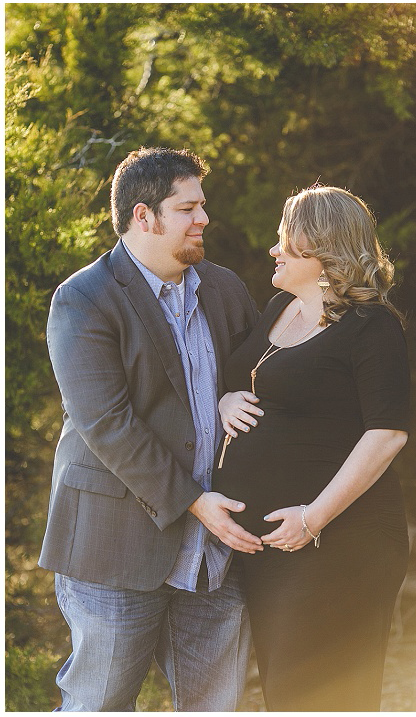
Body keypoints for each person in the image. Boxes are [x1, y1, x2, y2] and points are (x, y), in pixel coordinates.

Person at [39, 147, 261, 714]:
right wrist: (193, 501)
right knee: (99, 703)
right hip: (113, 549)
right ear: (144, 217)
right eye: (188, 208)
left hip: (214, 554)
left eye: (202, 206)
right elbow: (106, 424)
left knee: (216, 706)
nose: (204, 218)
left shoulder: (225, 288)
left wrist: (236, 393)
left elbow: (260, 378)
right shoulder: (84, 300)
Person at [214, 184, 410, 712]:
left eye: (285, 239)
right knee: (287, 690)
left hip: (339, 542)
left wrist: (313, 518)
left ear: (322, 248)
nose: (274, 250)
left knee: (327, 694)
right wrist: (226, 399)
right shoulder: (280, 306)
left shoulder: (373, 327)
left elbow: (386, 434)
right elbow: (256, 381)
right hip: (276, 545)